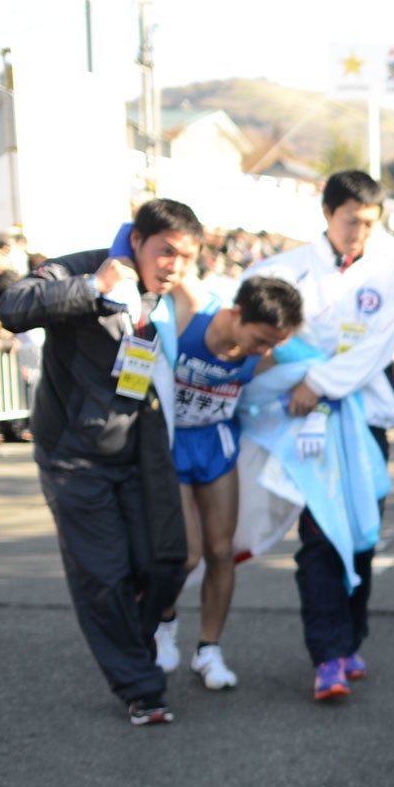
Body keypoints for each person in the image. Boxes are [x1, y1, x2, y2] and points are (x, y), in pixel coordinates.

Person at [0, 199, 200, 724]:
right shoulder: (83, 268)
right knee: (103, 575)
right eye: (166, 252)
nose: (174, 265)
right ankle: (141, 686)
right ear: (137, 240)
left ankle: (133, 649)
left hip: (140, 449)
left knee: (164, 560)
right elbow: (11, 306)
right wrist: (92, 289)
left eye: (186, 256)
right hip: (74, 457)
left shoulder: (171, 292)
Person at [244, 170, 394, 699]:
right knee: (319, 539)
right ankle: (328, 655)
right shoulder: (283, 270)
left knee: (361, 534)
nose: (358, 232)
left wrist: (319, 380)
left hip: (365, 420)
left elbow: (377, 347)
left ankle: (350, 638)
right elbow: (261, 328)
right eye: (349, 221)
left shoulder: (389, 270)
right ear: (326, 214)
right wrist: (302, 382)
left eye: (368, 223)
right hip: (307, 425)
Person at [152, 275, 307, 690]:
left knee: (222, 550)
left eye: (272, 344)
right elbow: (170, 265)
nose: (264, 352)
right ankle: (163, 624)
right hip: (171, 444)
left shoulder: (268, 348)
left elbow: (318, 359)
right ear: (236, 313)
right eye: (259, 340)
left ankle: (209, 650)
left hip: (216, 443)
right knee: (186, 554)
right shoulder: (188, 318)